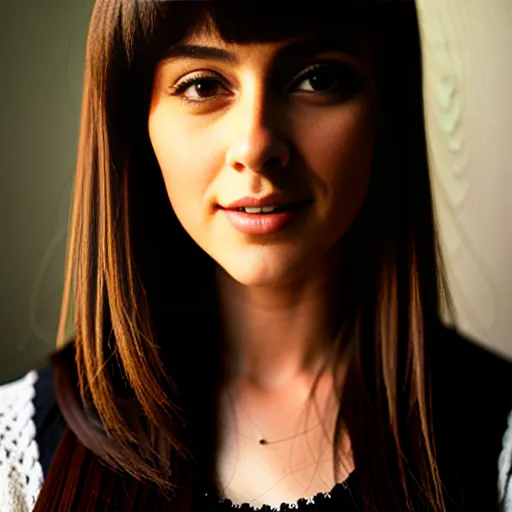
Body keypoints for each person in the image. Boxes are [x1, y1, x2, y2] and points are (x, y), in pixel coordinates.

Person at [0, 1, 510, 511]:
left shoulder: (500, 442)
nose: (256, 145)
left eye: (317, 79)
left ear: (384, 107)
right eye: (203, 85)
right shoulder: (16, 457)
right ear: (138, 121)